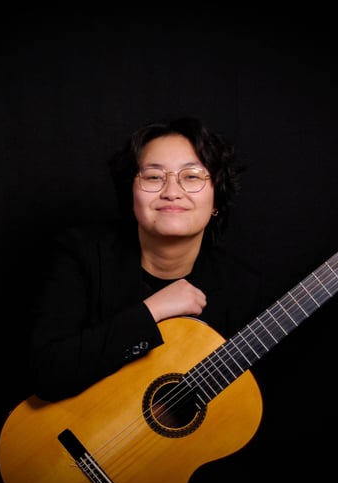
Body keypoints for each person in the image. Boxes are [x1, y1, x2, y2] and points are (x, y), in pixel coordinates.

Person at [28, 115, 270, 401]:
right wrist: (151, 312)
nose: (172, 192)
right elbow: (47, 374)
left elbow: (237, 406)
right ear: (131, 194)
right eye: (154, 177)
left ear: (216, 198)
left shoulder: (241, 286)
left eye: (192, 177)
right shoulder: (79, 253)